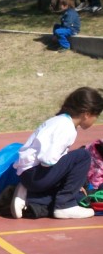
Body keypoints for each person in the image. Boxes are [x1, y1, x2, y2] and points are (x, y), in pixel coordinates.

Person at [11, 87, 103, 220]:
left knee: (78, 193)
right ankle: (64, 206)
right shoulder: (66, 127)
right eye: (96, 116)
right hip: (36, 175)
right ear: (87, 114)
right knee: (83, 156)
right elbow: (47, 160)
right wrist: (65, 172)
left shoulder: (57, 121)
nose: (95, 121)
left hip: (29, 175)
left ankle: (29, 197)